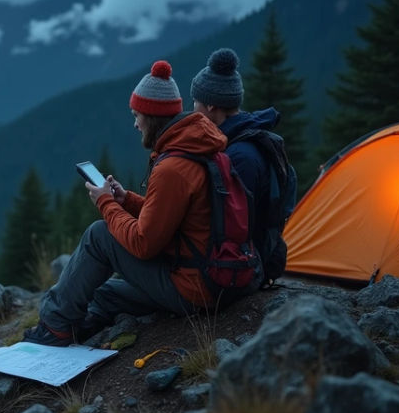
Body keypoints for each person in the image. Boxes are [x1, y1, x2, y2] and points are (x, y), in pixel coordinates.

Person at [23, 59, 252, 347]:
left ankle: (54, 327)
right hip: (214, 279)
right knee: (102, 293)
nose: (134, 124)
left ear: (152, 116)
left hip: (195, 289)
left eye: (136, 115)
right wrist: (126, 199)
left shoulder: (174, 168)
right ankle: (82, 327)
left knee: (99, 235)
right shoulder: (200, 149)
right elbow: (174, 217)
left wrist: (106, 203)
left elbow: (144, 243)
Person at [190, 48, 297, 289]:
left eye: (195, 102)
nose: (192, 109)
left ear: (209, 106)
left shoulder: (239, 156)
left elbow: (234, 226)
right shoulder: (242, 140)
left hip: (240, 266)